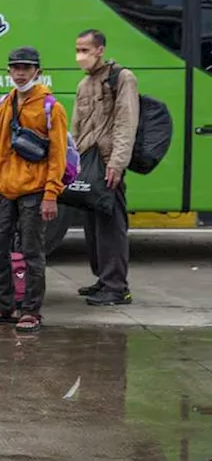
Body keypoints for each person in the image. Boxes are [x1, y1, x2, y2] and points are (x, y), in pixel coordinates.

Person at [0, 46, 67, 333]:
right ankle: (3, 306)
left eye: (26, 68)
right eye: (16, 67)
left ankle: (31, 311)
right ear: (9, 71)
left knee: (32, 251)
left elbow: (58, 155)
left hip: (34, 192)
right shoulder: (3, 104)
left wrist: (51, 194)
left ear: (38, 72)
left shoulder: (52, 107)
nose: (20, 73)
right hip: (3, 191)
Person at [71, 30, 139, 306]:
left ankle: (117, 287)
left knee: (111, 226)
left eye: (85, 50)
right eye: (77, 49)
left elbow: (126, 122)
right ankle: (103, 279)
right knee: (93, 226)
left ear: (100, 50)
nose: (80, 56)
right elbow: (76, 127)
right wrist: (72, 162)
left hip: (109, 163)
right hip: (89, 163)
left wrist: (117, 163)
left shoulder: (122, 78)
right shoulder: (84, 84)